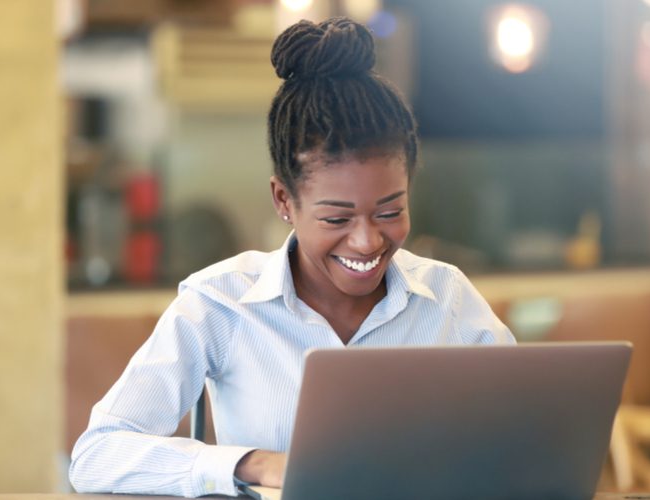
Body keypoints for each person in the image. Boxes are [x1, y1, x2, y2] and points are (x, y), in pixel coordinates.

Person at [69, 16, 515, 498]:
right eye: (336, 219)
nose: (367, 242)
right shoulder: (220, 303)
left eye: (390, 211)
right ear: (284, 200)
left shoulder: (447, 298)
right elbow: (97, 454)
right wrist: (253, 465)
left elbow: (528, 438)